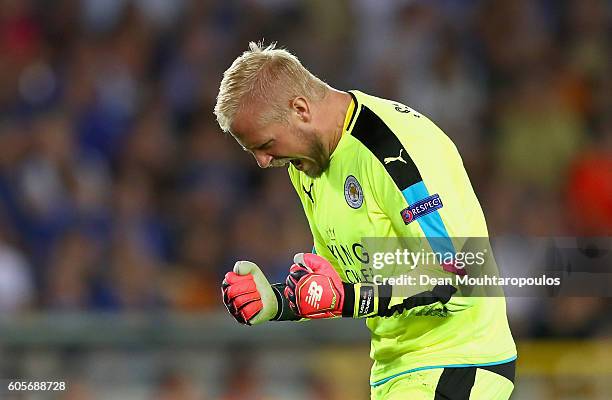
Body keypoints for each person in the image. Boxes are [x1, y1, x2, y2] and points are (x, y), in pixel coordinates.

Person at [215, 42, 516, 400]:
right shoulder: (306, 163)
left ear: (300, 109)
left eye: (266, 145)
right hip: (397, 371)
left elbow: (454, 272)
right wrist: (281, 301)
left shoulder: (394, 150)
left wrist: (343, 298)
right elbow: (344, 277)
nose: (263, 162)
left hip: (458, 363)